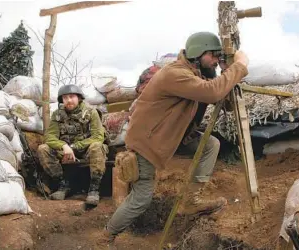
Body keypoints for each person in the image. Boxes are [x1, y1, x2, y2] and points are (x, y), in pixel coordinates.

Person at [101, 31, 249, 245]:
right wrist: (239, 66)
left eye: (219, 56)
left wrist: (228, 75)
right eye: (213, 55)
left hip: (171, 138)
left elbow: (222, 99)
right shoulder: (176, 74)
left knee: (210, 144)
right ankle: (107, 236)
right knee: (142, 198)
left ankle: (191, 200)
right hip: (148, 142)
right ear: (198, 54)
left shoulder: (199, 74)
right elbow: (212, 93)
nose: (216, 61)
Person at [37, 84, 108, 206]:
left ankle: (94, 189)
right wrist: (64, 146)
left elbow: (98, 137)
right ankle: (63, 185)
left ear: (79, 98)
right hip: (65, 151)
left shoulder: (91, 112)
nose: (68, 100)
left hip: (86, 150)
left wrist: (74, 147)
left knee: (97, 146)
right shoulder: (57, 115)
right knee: (43, 148)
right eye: (65, 98)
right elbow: (50, 137)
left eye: (71, 96)